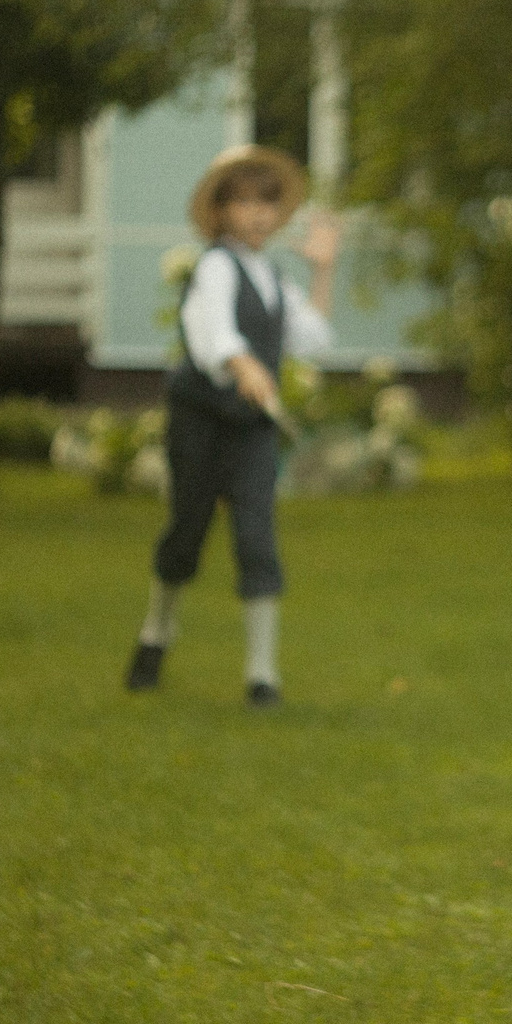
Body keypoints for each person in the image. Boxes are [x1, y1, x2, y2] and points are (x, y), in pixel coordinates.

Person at [127, 145, 341, 704]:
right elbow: (212, 337)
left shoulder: (271, 276)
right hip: (200, 425)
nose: (258, 214)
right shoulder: (215, 268)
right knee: (186, 536)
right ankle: (156, 634)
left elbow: (312, 338)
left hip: (251, 430)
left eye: (267, 203)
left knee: (257, 541)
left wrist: (323, 269)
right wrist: (243, 364)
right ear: (221, 210)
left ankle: (262, 677)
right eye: (244, 201)